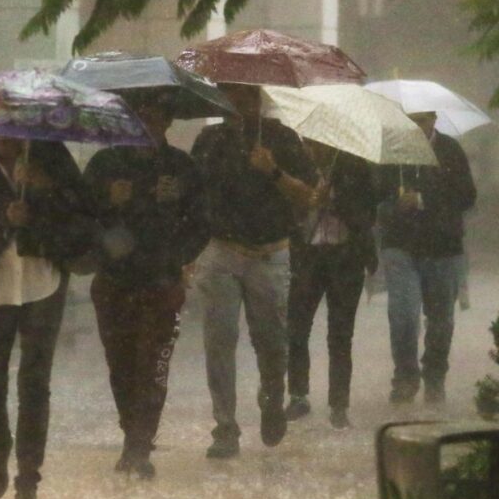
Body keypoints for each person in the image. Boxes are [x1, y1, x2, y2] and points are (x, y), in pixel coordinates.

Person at [0, 136, 94, 499]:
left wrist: (44, 193)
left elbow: (83, 215)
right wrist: (2, 219)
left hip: (44, 281)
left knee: (34, 383)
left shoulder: (52, 156)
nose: (7, 137)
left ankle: (28, 479)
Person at [83, 92, 208, 478]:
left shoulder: (181, 167)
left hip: (163, 283)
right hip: (114, 284)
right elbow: (80, 219)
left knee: (153, 365)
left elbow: (202, 221)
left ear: (168, 122)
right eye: (139, 117)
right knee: (121, 365)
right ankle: (130, 434)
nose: (147, 125)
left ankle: (140, 445)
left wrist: (177, 256)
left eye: (155, 118)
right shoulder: (105, 165)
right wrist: (109, 201)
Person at [191, 83, 317, 459]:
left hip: (271, 252)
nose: (238, 104)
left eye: (245, 96)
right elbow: (194, 195)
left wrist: (274, 171)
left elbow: (309, 196)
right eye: (229, 96)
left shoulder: (283, 138)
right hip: (222, 251)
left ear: (258, 99)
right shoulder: (209, 141)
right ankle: (225, 426)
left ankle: (272, 394)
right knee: (219, 341)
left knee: (272, 340)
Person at [378, 111, 476, 404]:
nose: (416, 126)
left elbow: (467, 196)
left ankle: (434, 376)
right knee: (403, 314)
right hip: (401, 245)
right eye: (411, 119)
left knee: (440, 320)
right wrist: (394, 204)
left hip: (443, 248)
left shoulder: (450, 150)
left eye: (421, 120)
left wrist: (423, 199)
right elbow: (376, 195)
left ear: (433, 119)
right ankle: (406, 377)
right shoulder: (391, 152)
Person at [285, 140, 380, 429]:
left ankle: (339, 404)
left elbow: (367, 214)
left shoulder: (354, 168)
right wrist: (310, 199)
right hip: (308, 256)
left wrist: (335, 200)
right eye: (308, 142)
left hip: (346, 256)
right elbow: (288, 210)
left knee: (340, 334)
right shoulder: (299, 168)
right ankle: (298, 395)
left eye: (317, 143)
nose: (312, 147)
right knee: (297, 328)